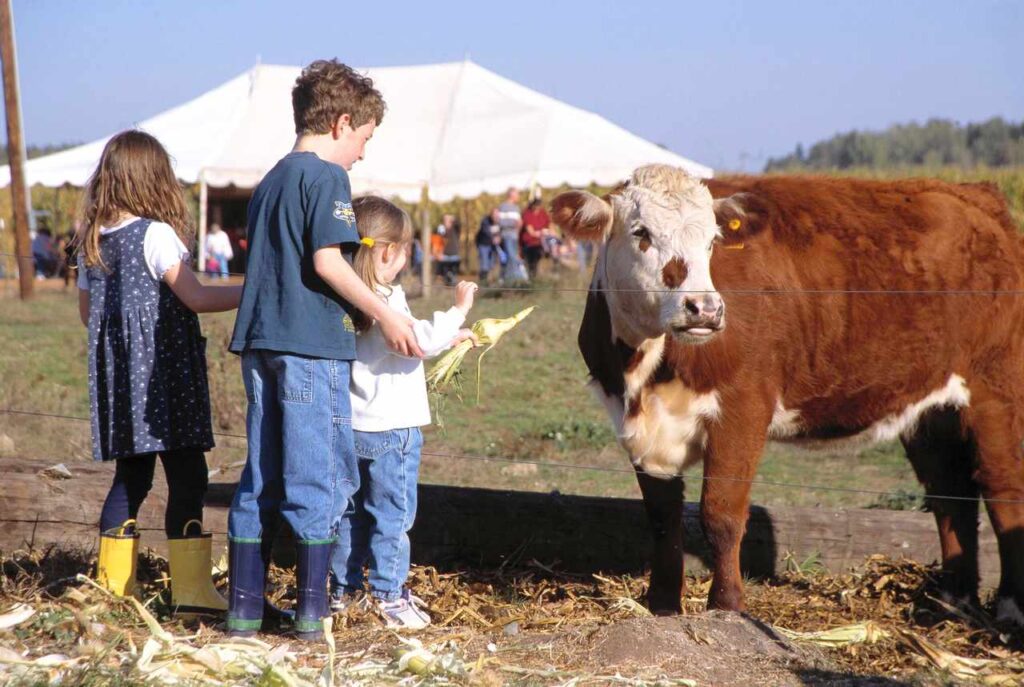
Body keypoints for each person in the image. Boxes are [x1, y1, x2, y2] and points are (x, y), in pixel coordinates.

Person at [226, 59, 423, 642]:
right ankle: (314, 614)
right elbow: (326, 261)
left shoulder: (271, 180)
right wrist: (385, 312)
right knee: (322, 477)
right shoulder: (326, 179)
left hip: (259, 344)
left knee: (261, 474)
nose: (362, 153)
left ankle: (244, 609)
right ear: (341, 123)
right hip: (310, 348)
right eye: (364, 138)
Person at [75, 130, 242, 616]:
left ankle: (111, 595)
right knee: (189, 477)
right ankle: (191, 594)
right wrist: (255, 290)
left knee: (132, 480)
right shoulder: (155, 234)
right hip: (164, 384)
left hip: (124, 386)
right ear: (153, 178)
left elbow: (90, 316)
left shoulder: (92, 238)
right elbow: (197, 297)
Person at [331, 195, 477, 628]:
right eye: (407, 249)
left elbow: (407, 342)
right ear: (389, 252)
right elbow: (418, 342)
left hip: (355, 424)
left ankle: (343, 592)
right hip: (393, 430)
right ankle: (389, 595)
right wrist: (459, 308)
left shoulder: (353, 296)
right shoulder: (386, 298)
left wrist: (450, 337)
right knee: (393, 514)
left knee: (351, 514)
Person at [498, 188, 523, 281]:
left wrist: (519, 225)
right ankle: (512, 279)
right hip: (507, 236)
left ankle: (512, 278)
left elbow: (518, 223)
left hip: (515, 236)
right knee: (511, 257)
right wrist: (513, 224)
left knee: (515, 256)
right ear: (512, 195)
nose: (518, 197)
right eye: (517, 194)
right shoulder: (503, 207)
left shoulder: (516, 208)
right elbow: (501, 222)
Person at [520, 198, 549, 279]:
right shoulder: (527, 214)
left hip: (541, 243)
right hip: (529, 244)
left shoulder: (543, 213)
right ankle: (531, 279)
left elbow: (549, 225)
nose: (537, 208)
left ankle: (535, 278)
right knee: (531, 263)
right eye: (536, 206)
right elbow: (531, 231)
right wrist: (541, 233)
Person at [475, 207, 504, 283]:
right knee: (484, 265)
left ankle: (489, 281)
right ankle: (483, 282)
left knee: (492, 265)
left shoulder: (500, 222)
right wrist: (493, 238)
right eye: (494, 214)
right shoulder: (485, 221)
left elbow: (502, 231)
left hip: (493, 246)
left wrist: (500, 237)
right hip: (483, 244)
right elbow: (486, 231)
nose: (496, 216)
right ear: (491, 214)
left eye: (497, 215)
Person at [434, 213, 460, 285]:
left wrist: (452, 218)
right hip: (443, 255)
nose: (446, 221)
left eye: (448, 219)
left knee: (453, 271)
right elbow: (438, 240)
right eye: (444, 219)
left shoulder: (455, 229)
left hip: (454, 254)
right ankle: (446, 281)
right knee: (443, 270)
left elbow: (458, 222)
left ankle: (452, 281)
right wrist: (438, 253)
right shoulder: (441, 229)